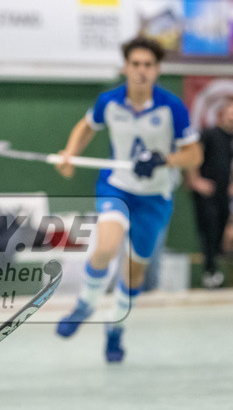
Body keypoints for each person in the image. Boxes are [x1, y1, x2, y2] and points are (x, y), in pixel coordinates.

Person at [54, 36, 202, 362]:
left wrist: (165, 159)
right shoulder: (109, 101)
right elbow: (86, 126)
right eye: (135, 64)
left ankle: (115, 328)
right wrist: (69, 153)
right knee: (106, 247)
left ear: (157, 70)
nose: (141, 71)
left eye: (148, 65)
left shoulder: (171, 107)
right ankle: (86, 304)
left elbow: (194, 154)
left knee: (133, 274)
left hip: (155, 198)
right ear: (125, 67)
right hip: (116, 188)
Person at [186, 96, 233, 288]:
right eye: (231, 111)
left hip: (224, 194)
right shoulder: (209, 134)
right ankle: (209, 273)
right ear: (222, 114)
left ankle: (214, 271)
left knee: (221, 233)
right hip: (206, 194)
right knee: (209, 232)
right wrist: (195, 180)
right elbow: (192, 156)